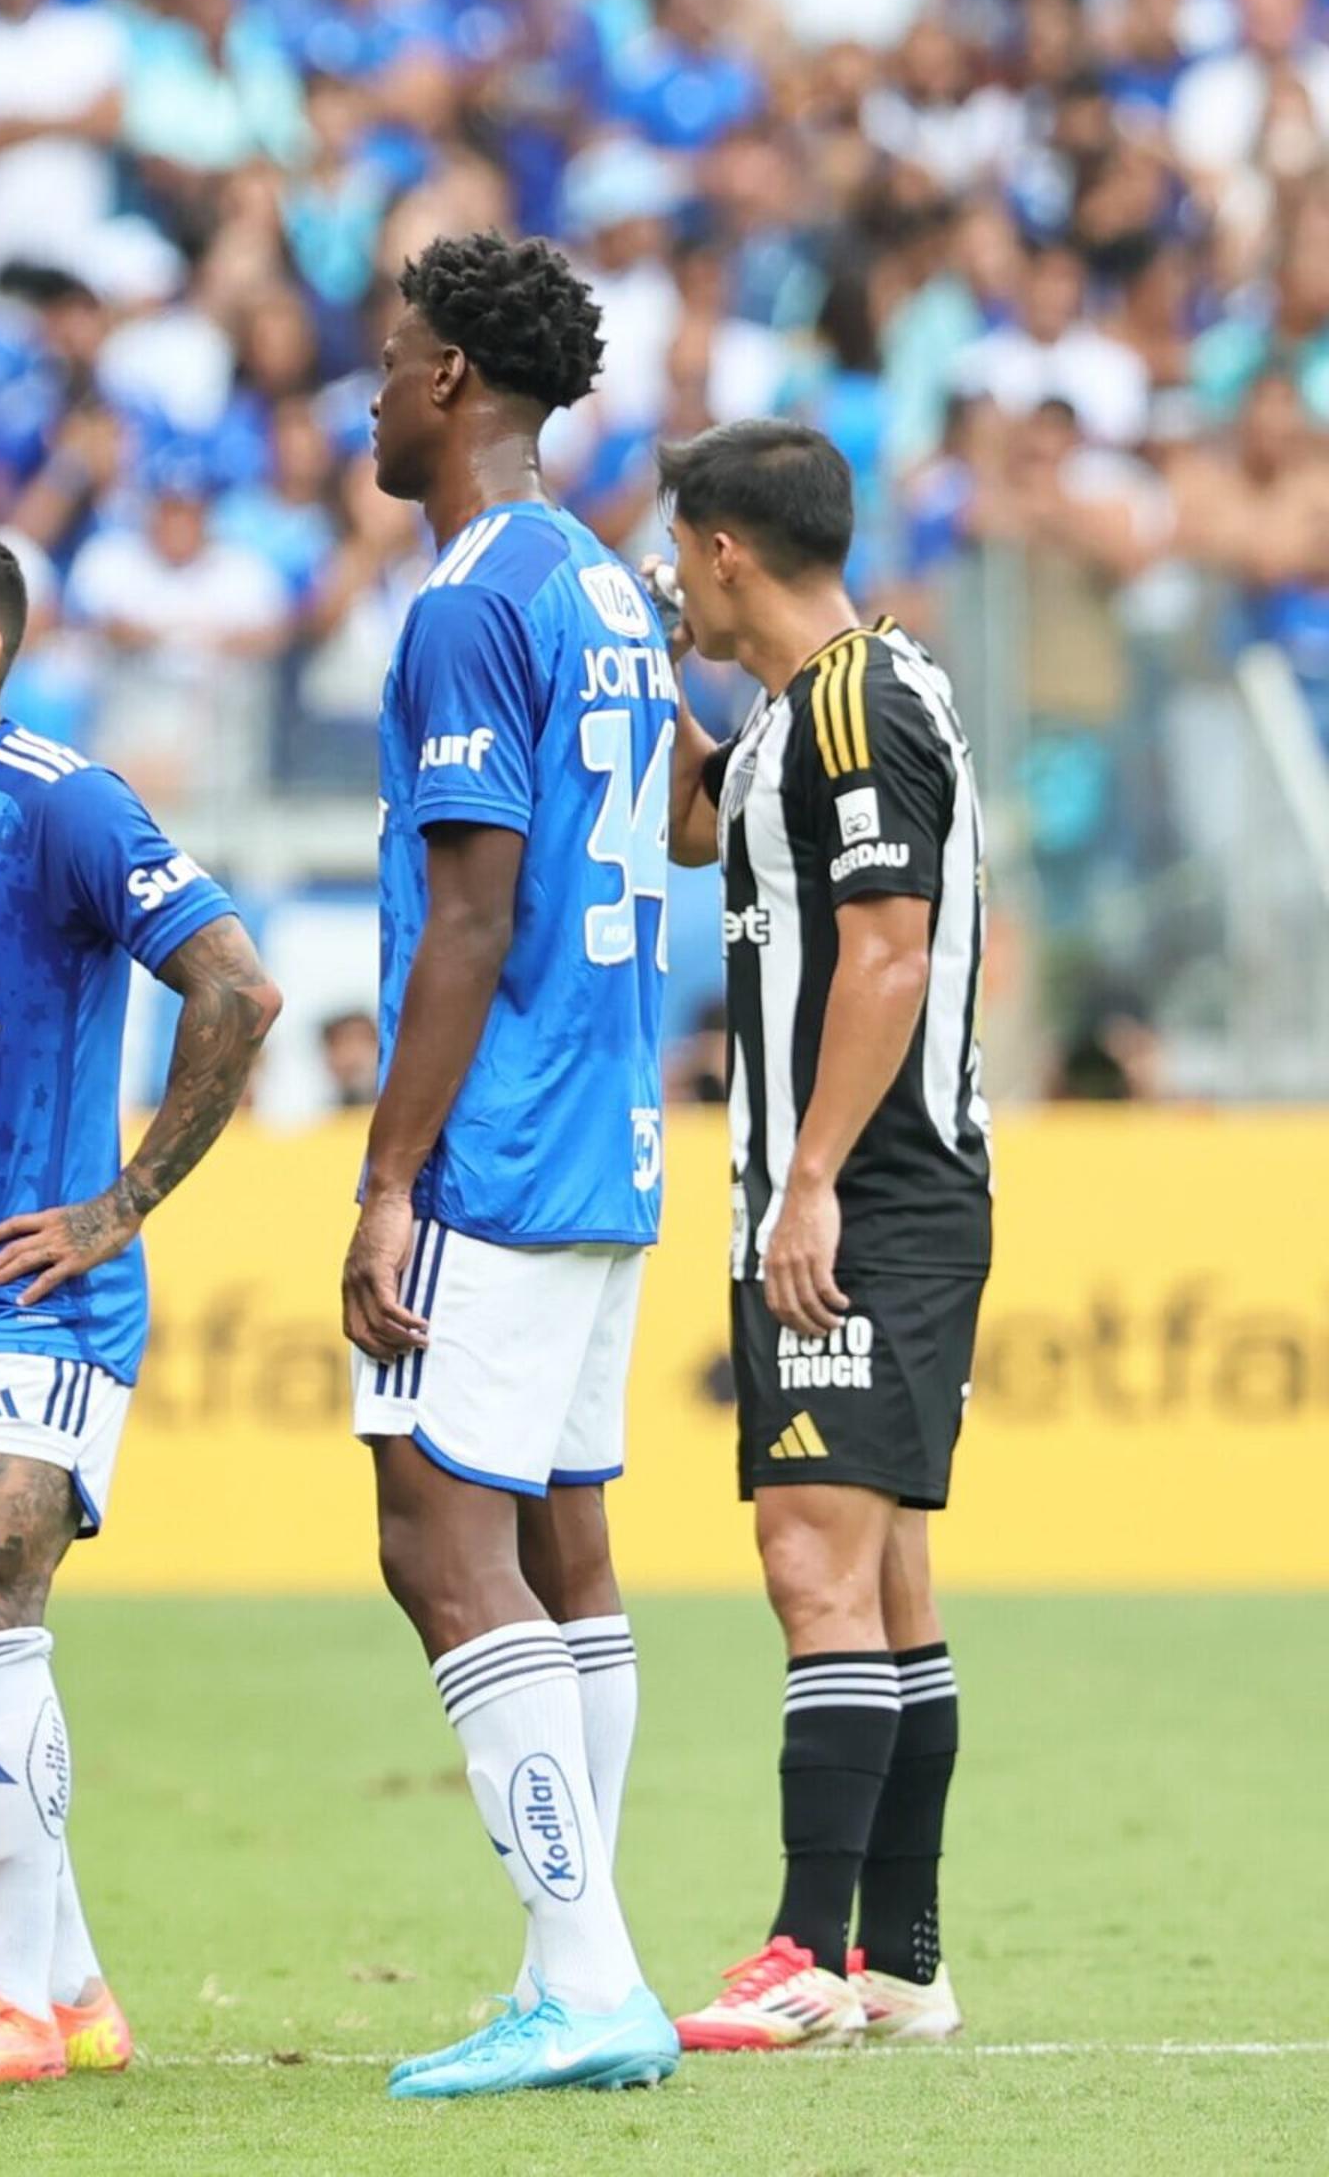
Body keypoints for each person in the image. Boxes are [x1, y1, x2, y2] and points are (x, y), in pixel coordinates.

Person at [0, 520, 281, 2086]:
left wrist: (122, 1205)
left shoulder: (64, 803)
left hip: (40, 1299)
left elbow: (237, 982)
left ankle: (12, 2002)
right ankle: (74, 1988)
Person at [335, 233, 682, 2100]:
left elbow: (469, 917)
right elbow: (690, 816)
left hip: (507, 1135)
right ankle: (592, 1957)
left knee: (437, 1539)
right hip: (614, 1128)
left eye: (395, 362)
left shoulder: (474, 598)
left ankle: (581, 1972)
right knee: (561, 1537)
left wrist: (391, 1177)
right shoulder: (613, 588)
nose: (377, 394)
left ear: (456, 377)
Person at [657, 419, 989, 2051]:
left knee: (810, 1556)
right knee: (886, 1571)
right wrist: (666, 675)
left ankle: (802, 1951)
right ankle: (901, 1959)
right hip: (860, 1190)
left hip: (863, 1193)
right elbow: (684, 829)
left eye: (681, 555)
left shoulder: (855, 705)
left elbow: (887, 958)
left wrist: (812, 1182)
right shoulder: (800, 709)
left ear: (725, 548)